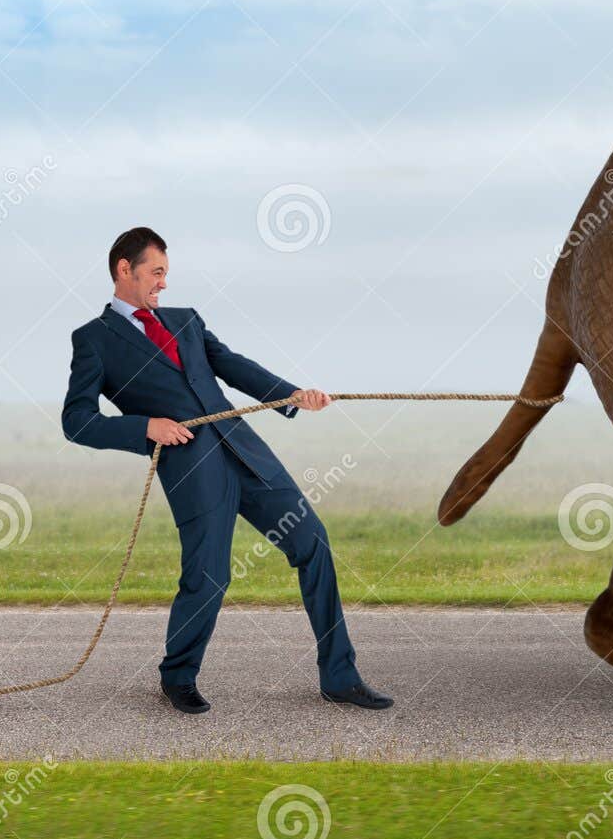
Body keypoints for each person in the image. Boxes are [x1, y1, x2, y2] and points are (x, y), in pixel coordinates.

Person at [61, 227, 393, 715]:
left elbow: (233, 366)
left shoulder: (186, 319)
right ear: (124, 269)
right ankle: (178, 676)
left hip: (246, 452)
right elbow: (77, 421)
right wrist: (146, 427)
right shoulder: (93, 340)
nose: (164, 283)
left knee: (313, 542)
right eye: (156, 272)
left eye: (166, 274)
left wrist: (291, 394)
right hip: (192, 470)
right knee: (209, 575)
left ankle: (340, 677)